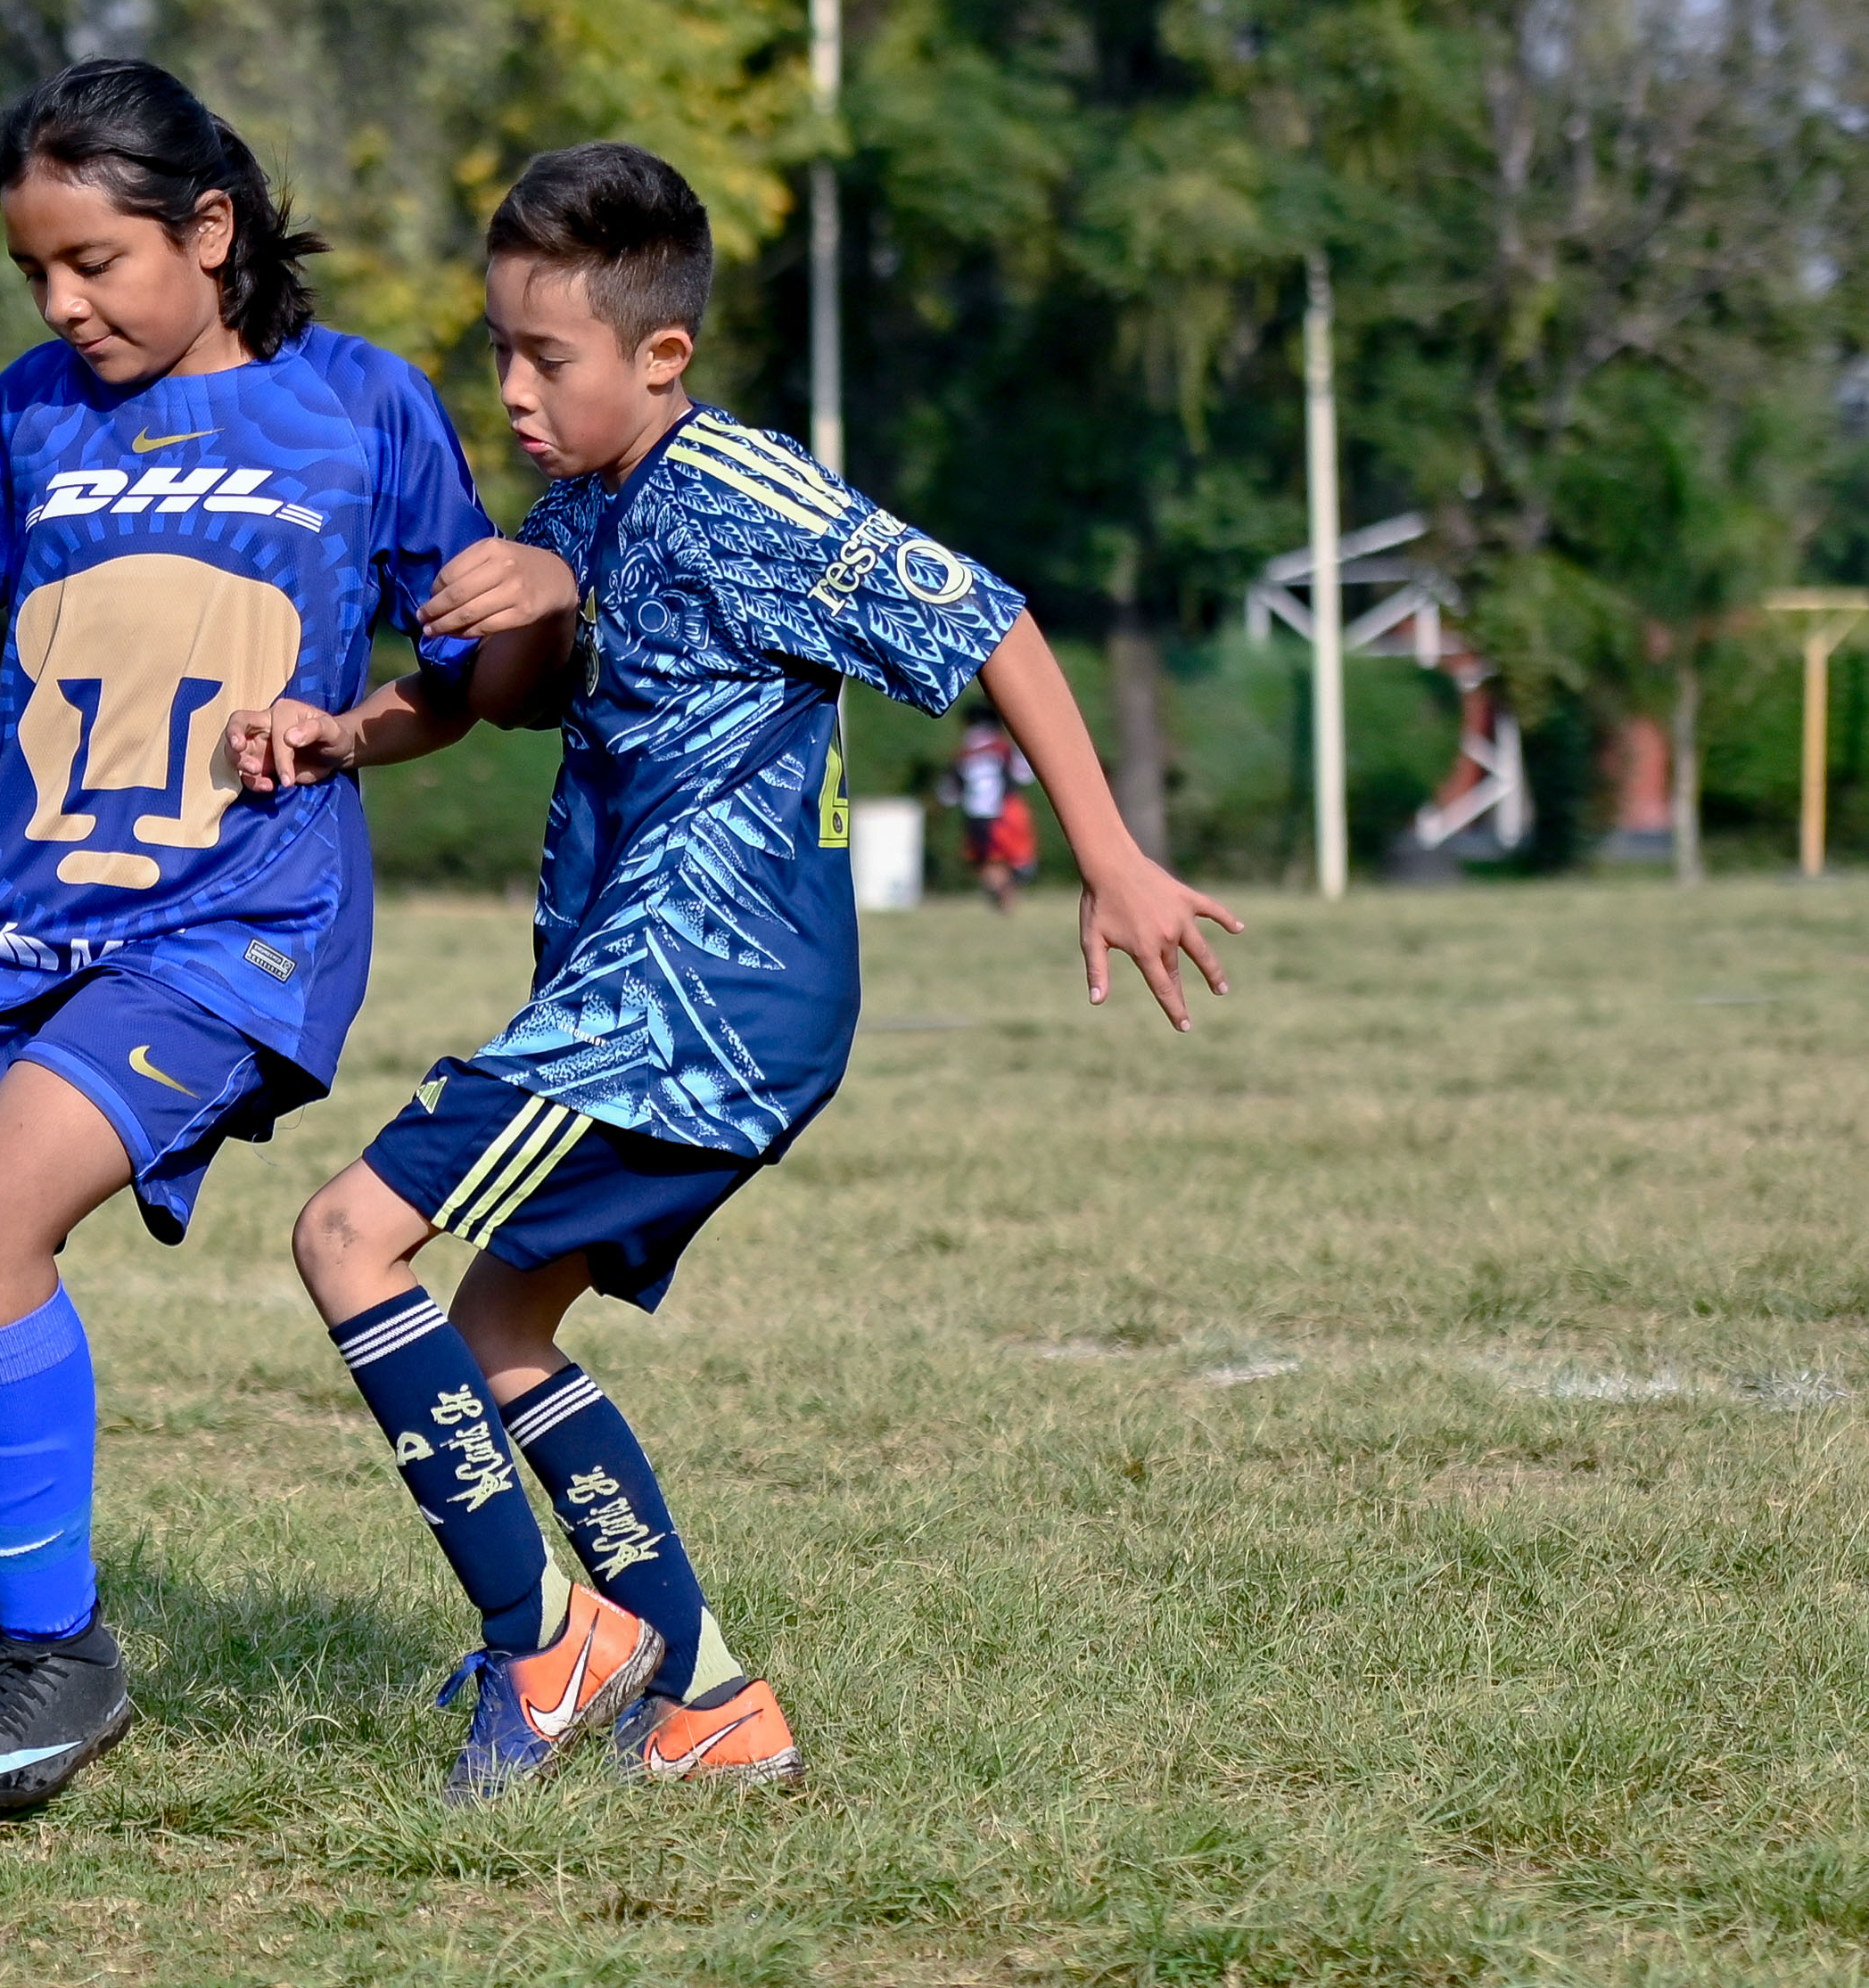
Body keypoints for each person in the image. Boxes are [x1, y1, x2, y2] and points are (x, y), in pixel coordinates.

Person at [0, 56, 572, 1818]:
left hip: (228, 927)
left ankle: (65, 1653)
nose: (66, 303)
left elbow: (482, 680)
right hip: (11, 935)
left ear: (209, 230)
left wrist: (519, 616)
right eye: (36, 274)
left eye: (96, 262)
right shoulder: (32, 413)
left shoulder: (358, 405)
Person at [234, 144, 1242, 1800]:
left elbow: (978, 614)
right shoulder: (584, 505)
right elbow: (490, 689)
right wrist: (337, 730)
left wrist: (1107, 849)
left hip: (694, 993)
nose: (509, 387)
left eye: (541, 356)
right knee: (495, 1324)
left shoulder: (736, 487)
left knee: (347, 1234)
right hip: (669, 1002)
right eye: (495, 349)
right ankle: (704, 1697)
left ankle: (540, 1640)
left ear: (659, 356)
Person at [951, 698, 1040, 909]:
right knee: (1016, 862)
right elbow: (1025, 774)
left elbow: (949, 793)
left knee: (989, 863)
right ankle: (1006, 901)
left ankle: (1000, 900)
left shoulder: (963, 754)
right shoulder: (1003, 748)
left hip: (976, 816)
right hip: (1006, 814)